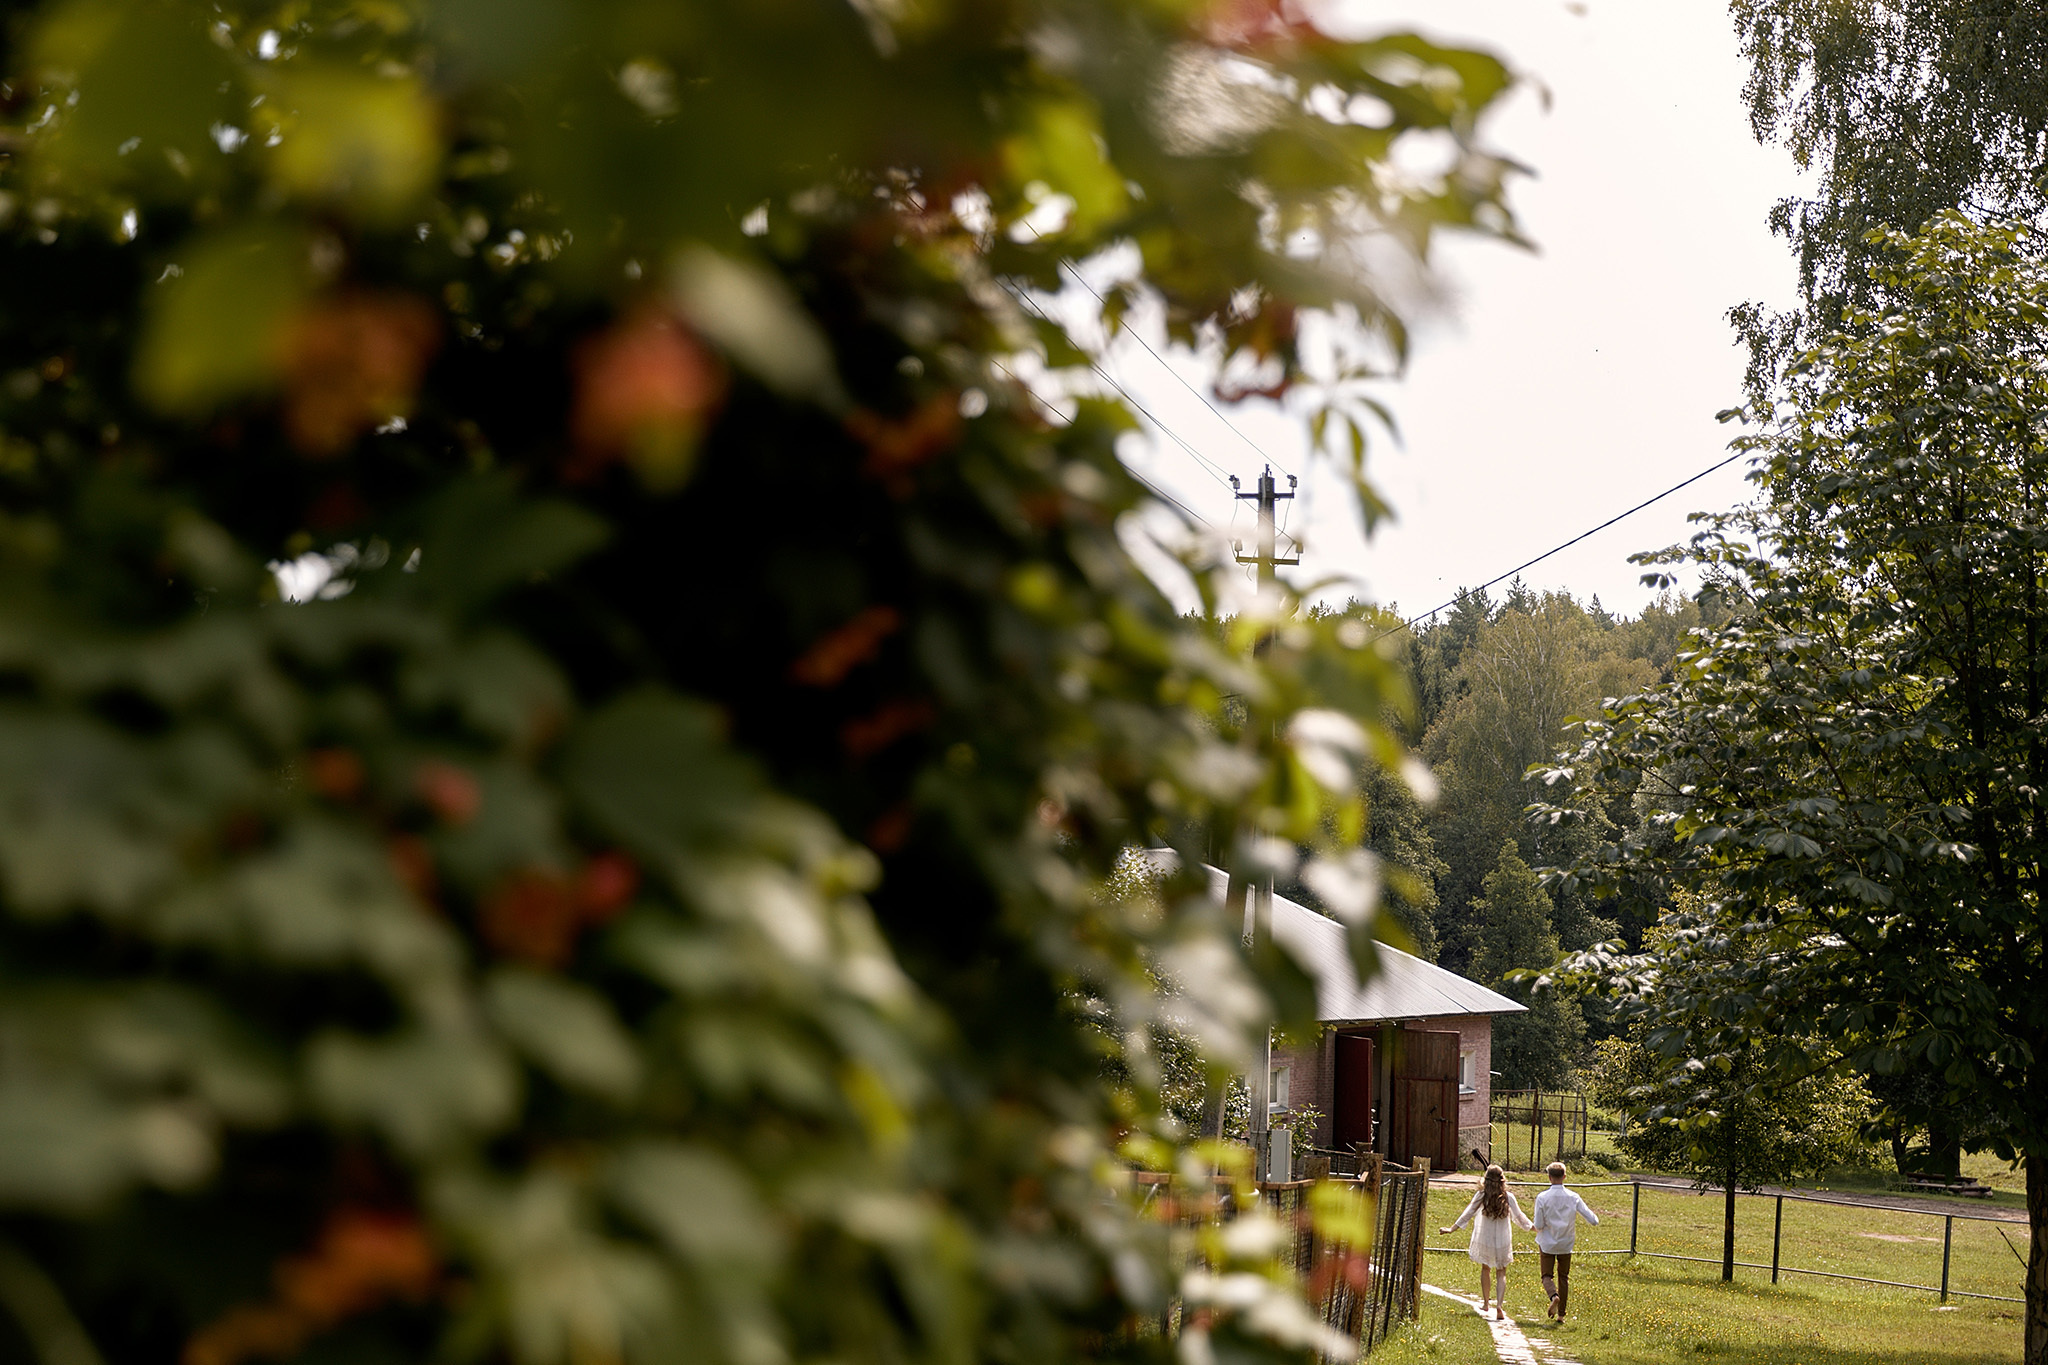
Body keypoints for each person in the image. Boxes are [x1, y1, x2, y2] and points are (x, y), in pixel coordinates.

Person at [1441, 1164, 1532, 1320]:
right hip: (1502, 1238)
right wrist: (1534, 1228)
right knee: (1501, 1271)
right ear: (1503, 1179)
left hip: (1485, 1237)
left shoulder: (1482, 1195)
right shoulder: (1508, 1197)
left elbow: (1467, 1213)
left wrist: (1451, 1228)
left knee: (1486, 1268)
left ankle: (1485, 1303)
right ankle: (1499, 1305)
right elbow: (1520, 1217)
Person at [1532, 1160, 1601, 1321]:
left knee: (1546, 1276)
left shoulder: (1542, 1197)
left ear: (1549, 1177)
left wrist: (1539, 1227)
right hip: (1566, 1242)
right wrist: (1595, 1218)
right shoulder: (1573, 1197)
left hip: (1547, 1242)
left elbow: (1539, 1224)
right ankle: (1561, 1315)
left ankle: (1553, 1296)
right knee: (1564, 1277)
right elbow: (1593, 1219)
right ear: (1564, 1176)